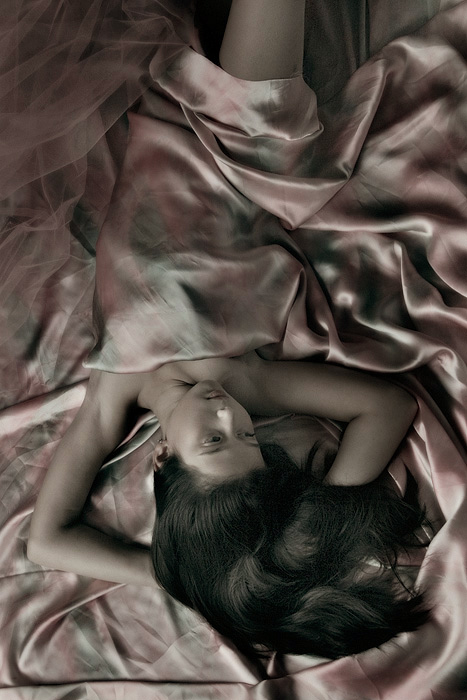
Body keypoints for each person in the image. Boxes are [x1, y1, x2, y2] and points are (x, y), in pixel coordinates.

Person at [27, 0, 430, 659]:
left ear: (163, 457)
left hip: (156, 129)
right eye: (247, 437)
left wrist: (185, 579)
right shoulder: (247, 382)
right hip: (239, 150)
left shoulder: (114, 395)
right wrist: (327, 510)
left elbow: (46, 542)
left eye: (214, 440)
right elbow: (389, 405)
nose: (226, 414)